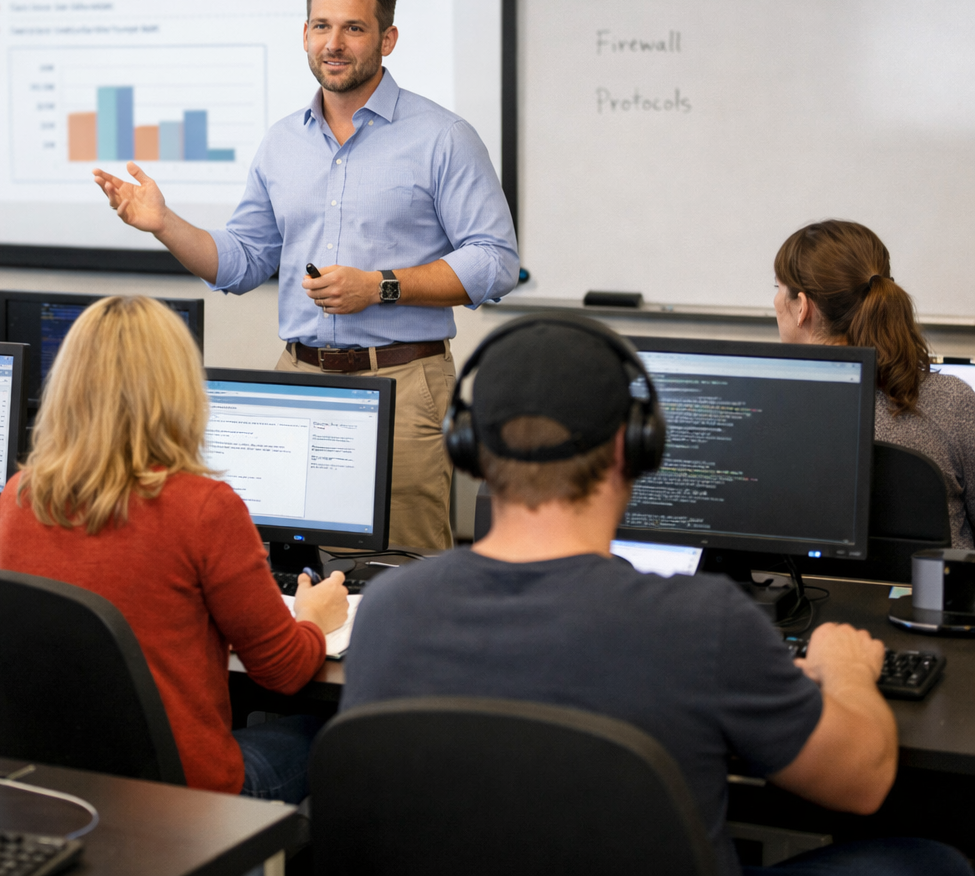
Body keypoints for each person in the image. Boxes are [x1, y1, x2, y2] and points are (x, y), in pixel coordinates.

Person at [341, 317, 970, 876]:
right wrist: (849, 672)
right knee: (930, 860)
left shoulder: (391, 608)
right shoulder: (703, 623)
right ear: (634, 448)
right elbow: (861, 782)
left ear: (470, 449)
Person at [95, 0, 519, 552]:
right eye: (321, 26)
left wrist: (380, 287)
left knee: (397, 574)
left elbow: (495, 261)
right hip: (297, 382)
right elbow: (241, 262)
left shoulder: (443, 137)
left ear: (386, 40)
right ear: (304, 35)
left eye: (353, 29)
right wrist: (164, 224)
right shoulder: (281, 142)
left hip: (400, 382)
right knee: (286, 567)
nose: (334, 44)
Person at [0, 296, 350, 802]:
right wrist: (315, 618)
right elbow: (285, 671)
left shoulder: (21, 496)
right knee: (335, 729)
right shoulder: (202, 506)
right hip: (187, 797)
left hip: (67, 783)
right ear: (180, 388)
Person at [774, 219, 975, 549]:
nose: (775, 302)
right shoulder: (953, 402)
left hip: (805, 596)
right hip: (928, 598)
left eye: (778, 289)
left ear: (802, 308)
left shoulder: (765, 409)